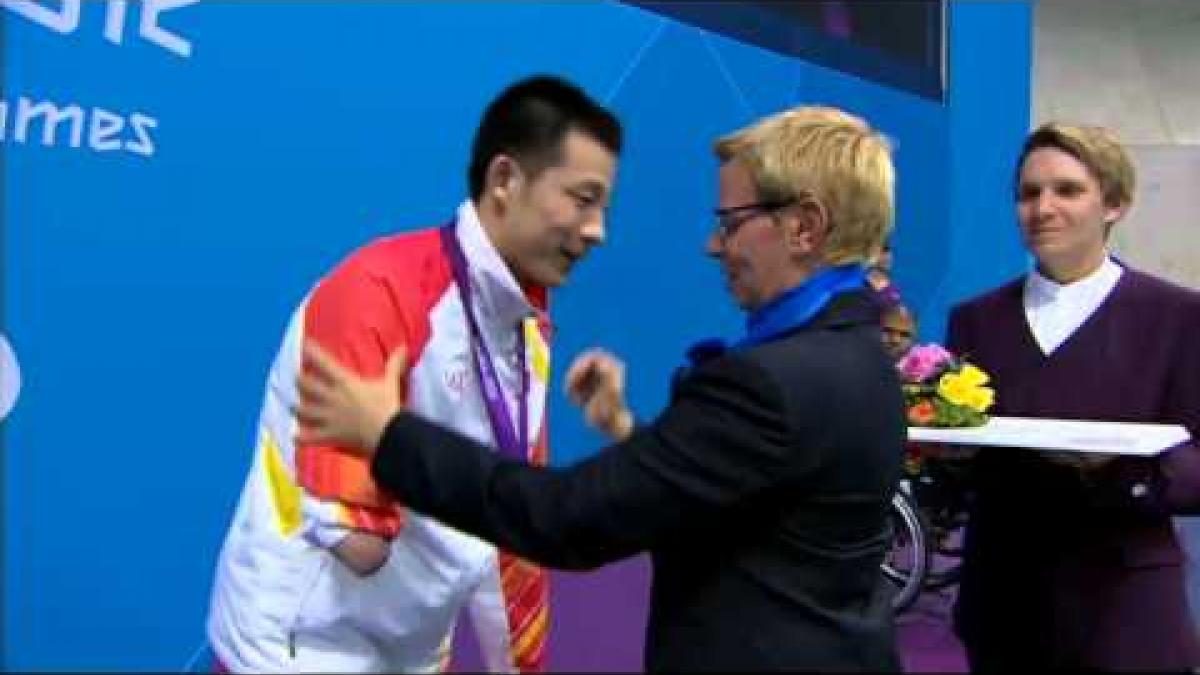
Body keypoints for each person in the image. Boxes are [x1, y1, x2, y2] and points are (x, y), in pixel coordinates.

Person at [293, 106, 907, 671]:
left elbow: (566, 519)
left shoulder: (771, 383)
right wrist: (628, 433)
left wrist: (388, 435)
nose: (712, 245)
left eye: (731, 222)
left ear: (804, 227)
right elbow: (745, 497)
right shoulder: (862, 356)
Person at [205, 75, 621, 673]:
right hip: (299, 648)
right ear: (504, 179)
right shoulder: (377, 292)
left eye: (604, 206)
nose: (597, 230)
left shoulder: (526, 321)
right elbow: (359, 544)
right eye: (583, 200)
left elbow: (509, 524)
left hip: (415, 650)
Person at [943, 123, 1200, 670]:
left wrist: (1124, 472)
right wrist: (945, 457)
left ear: (1115, 204)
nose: (1043, 208)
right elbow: (962, 469)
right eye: (1028, 193)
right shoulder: (975, 320)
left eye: (1067, 190)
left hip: (1126, 611)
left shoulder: (1177, 318)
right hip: (1004, 606)